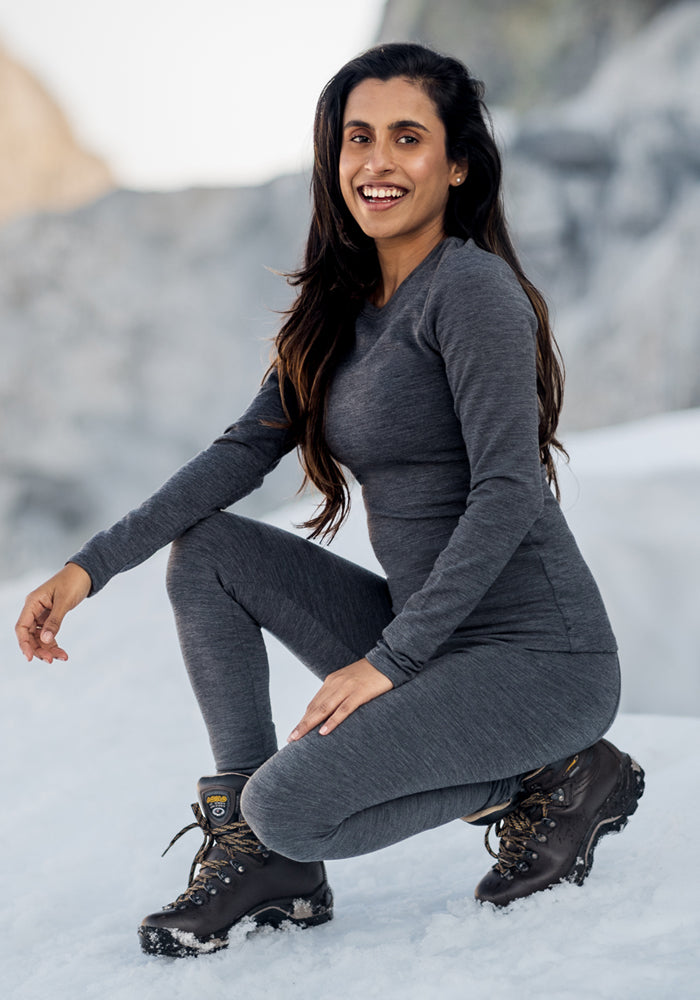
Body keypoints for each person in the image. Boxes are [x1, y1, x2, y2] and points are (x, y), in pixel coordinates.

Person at [16, 43, 644, 959]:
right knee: (214, 553)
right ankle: (265, 862)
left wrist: (388, 662)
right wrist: (87, 568)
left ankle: (558, 771)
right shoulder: (343, 305)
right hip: (434, 640)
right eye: (358, 138)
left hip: (538, 659)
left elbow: (510, 491)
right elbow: (240, 453)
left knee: (293, 803)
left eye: (406, 138)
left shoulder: (471, 291)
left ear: (456, 163)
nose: (376, 162)